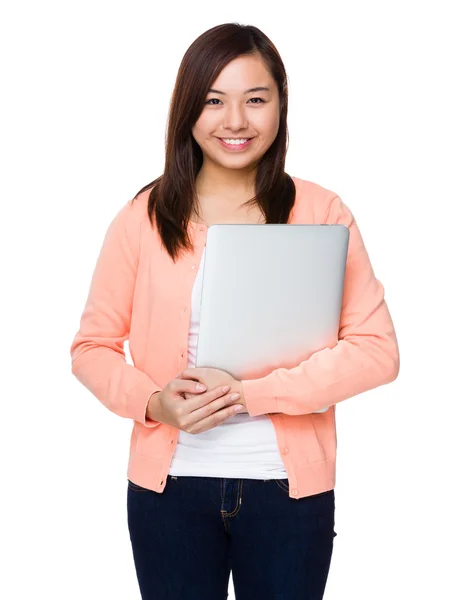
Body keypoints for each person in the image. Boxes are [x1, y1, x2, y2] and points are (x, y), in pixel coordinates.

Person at [70, 22, 400, 600]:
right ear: (187, 109)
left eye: (256, 99)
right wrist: (152, 404)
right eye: (214, 101)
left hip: (286, 493)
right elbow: (91, 348)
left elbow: (377, 352)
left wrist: (251, 395)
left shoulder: (321, 211)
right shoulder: (143, 216)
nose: (236, 122)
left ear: (281, 104)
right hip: (169, 490)